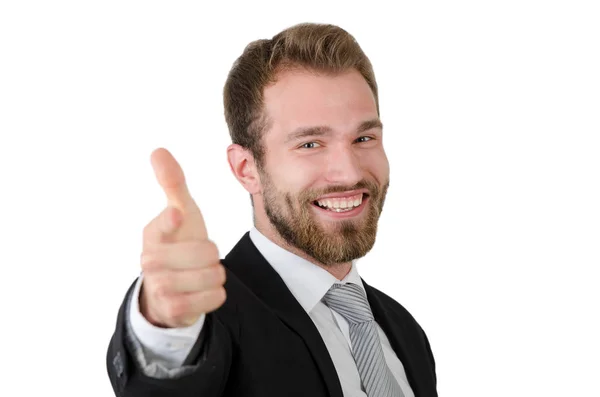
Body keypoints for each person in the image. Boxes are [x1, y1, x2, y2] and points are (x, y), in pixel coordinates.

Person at [106, 22, 437, 397]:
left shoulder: (405, 331)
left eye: (364, 138)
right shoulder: (212, 318)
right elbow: (165, 379)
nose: (349, 171)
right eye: (310, 144)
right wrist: (163, 323)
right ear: (247, 170)